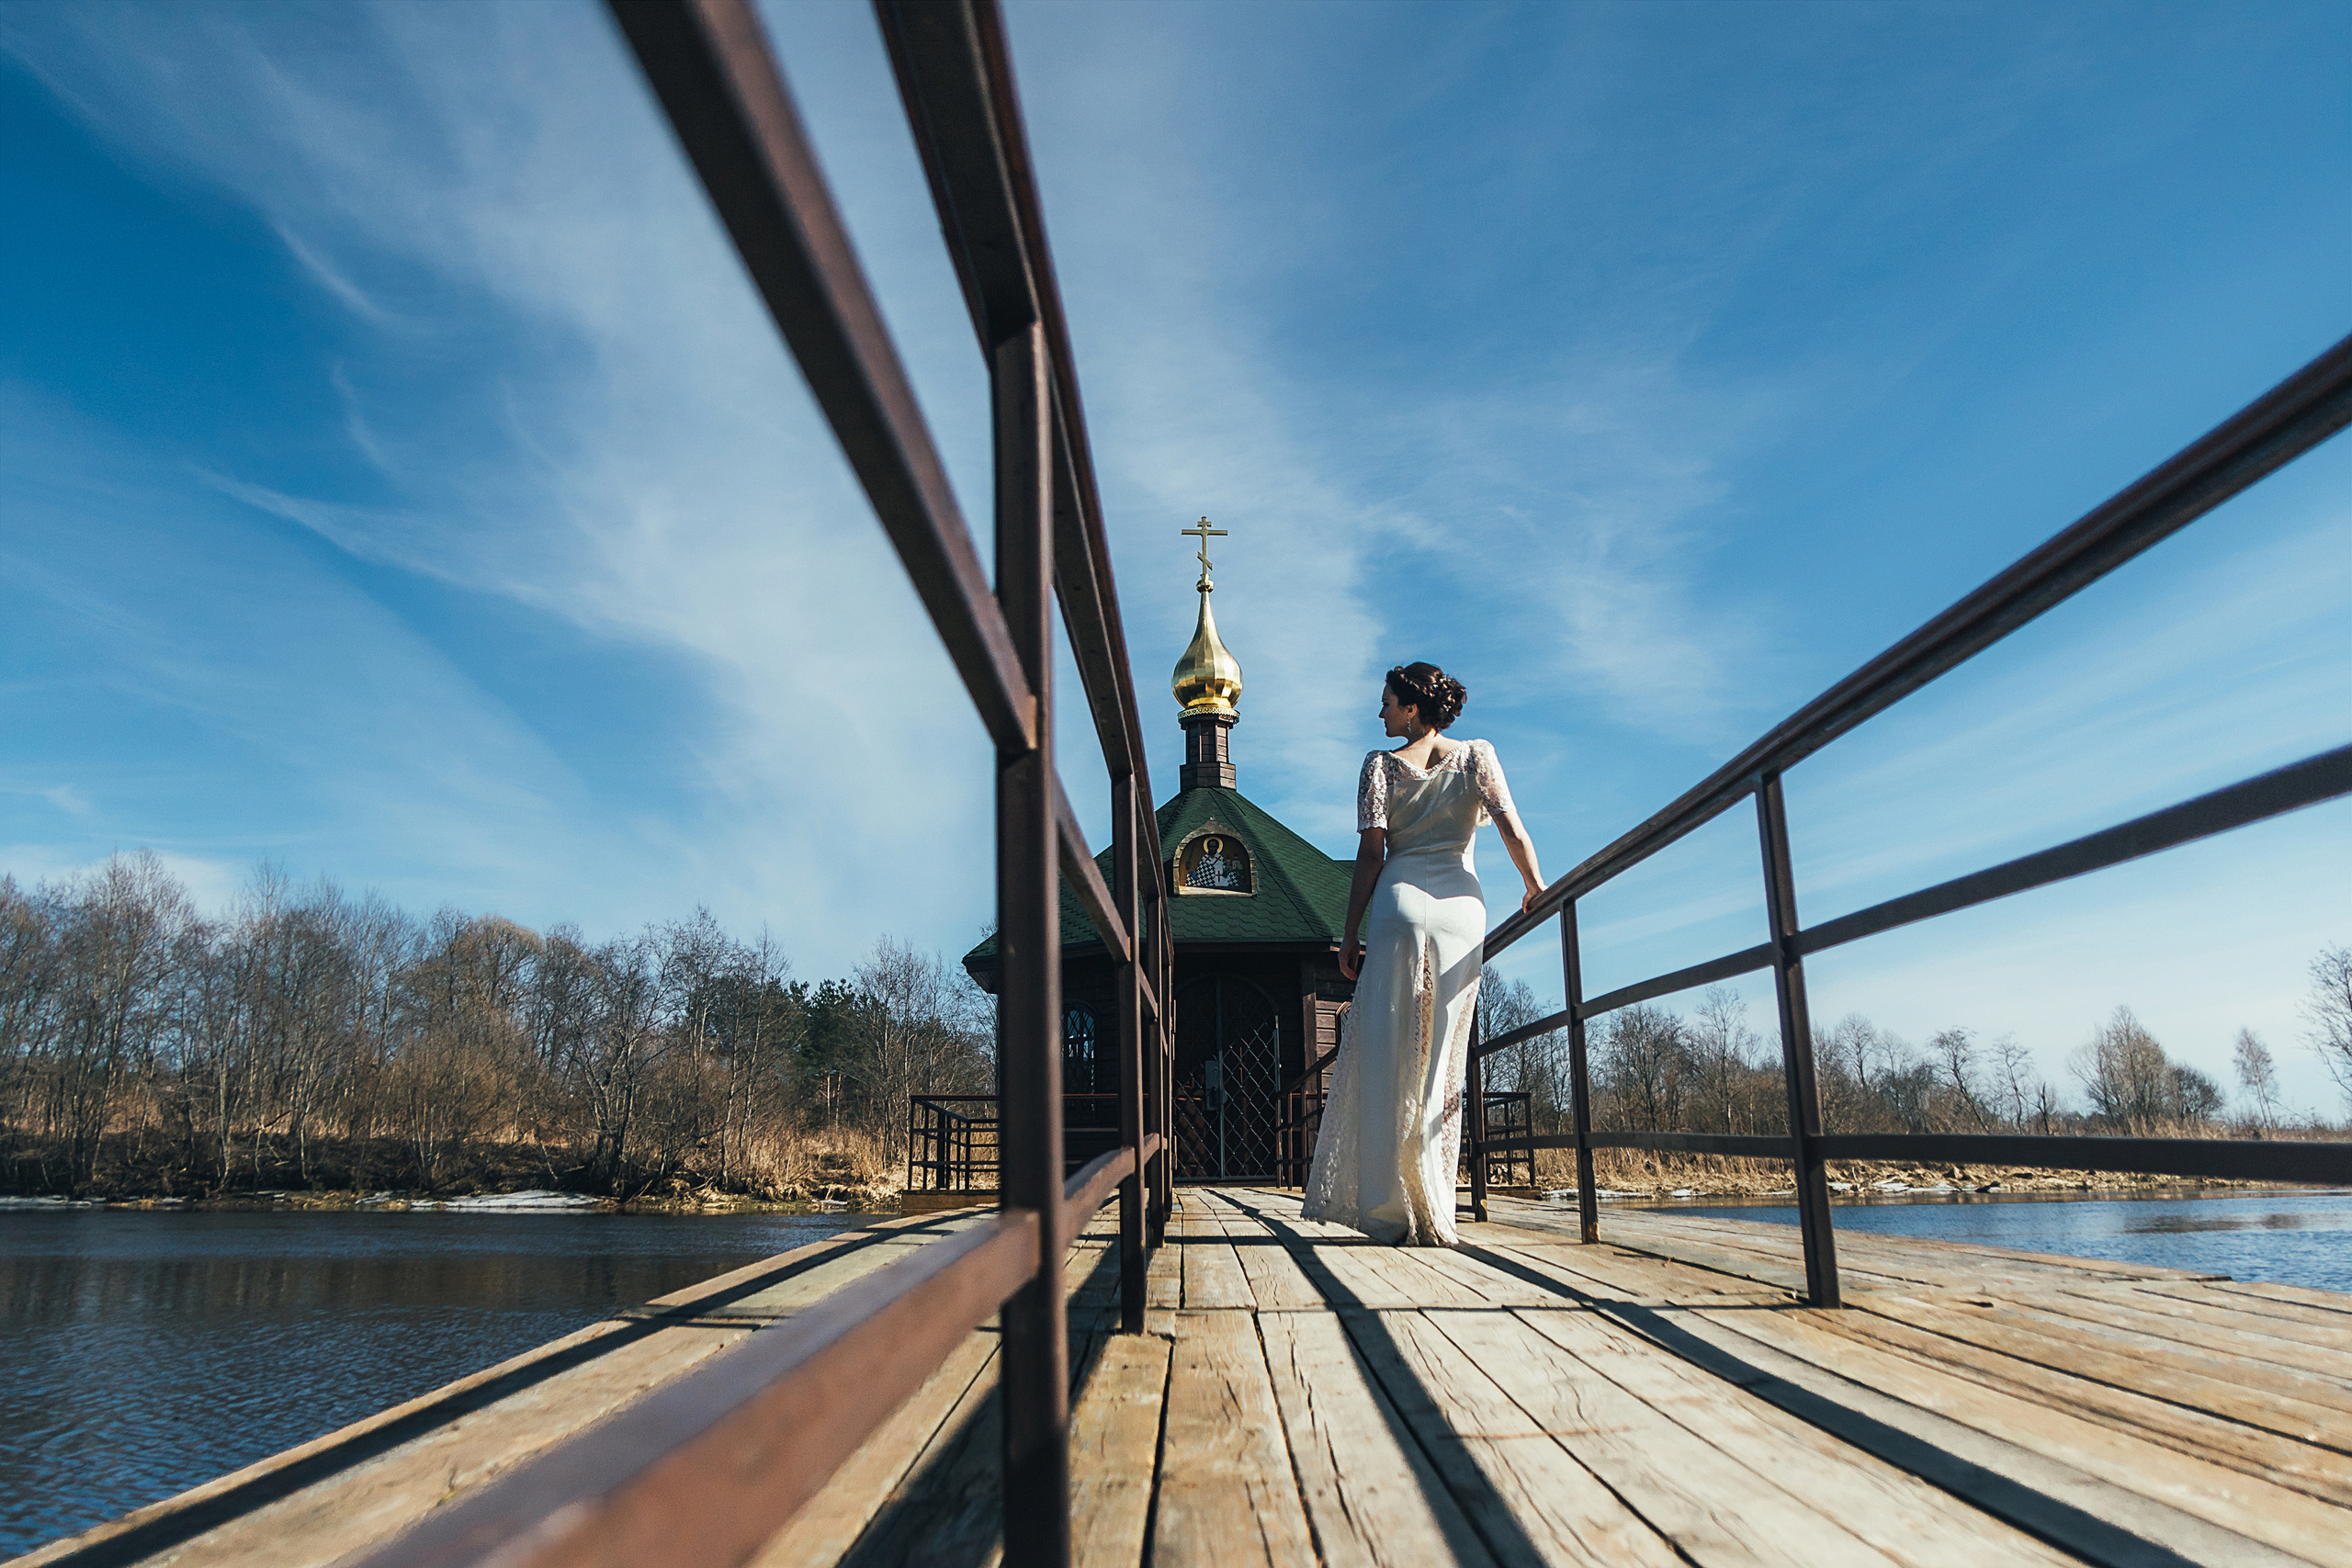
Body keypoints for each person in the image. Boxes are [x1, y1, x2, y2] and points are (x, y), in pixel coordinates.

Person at [1302, 662, 1544, 1247]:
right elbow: (1510, 826)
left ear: (1411, 708)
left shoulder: (1380, 767)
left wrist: (1351, 930)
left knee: (1388, 1055)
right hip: (1463, 909)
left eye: (1386, 702)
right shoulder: (1478, 755)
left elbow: (1370, 855)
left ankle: (1388, 1212)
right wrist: (1535, 886)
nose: (1379, 711)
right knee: (1440, 1062)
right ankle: (1437, 1204)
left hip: (1399, 907)